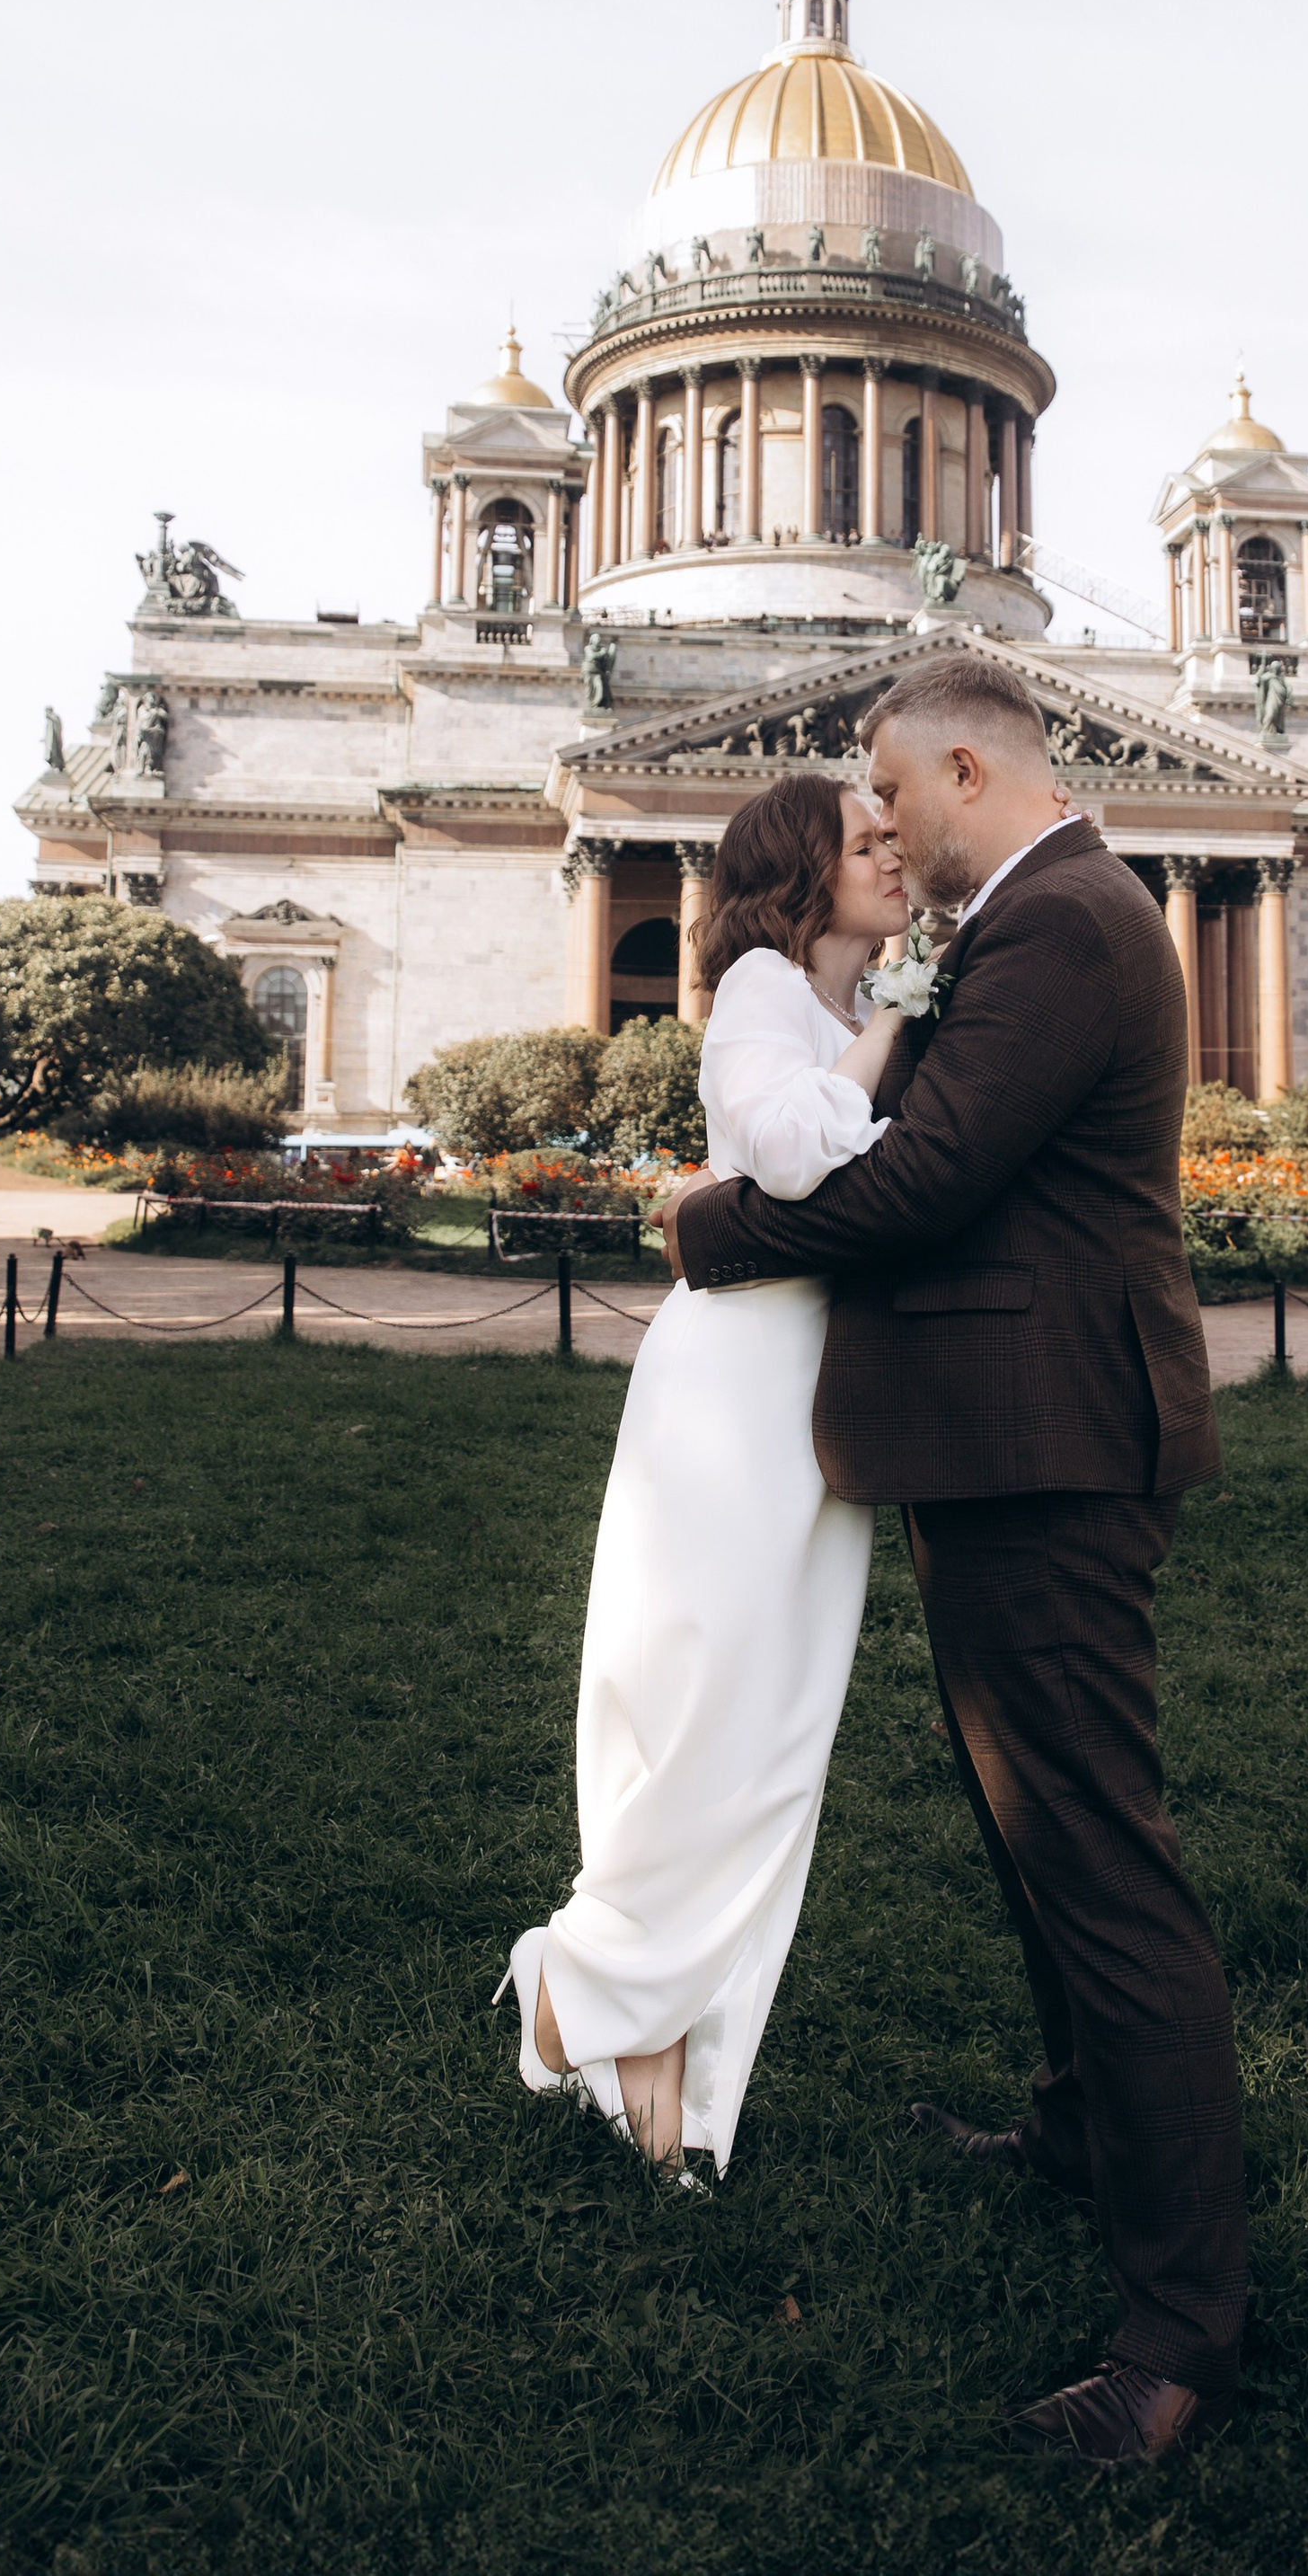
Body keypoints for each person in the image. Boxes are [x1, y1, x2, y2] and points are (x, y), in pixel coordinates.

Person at [661, 648, 1244, 2465]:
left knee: (1096, 1858)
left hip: (1048, 1442)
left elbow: (924, 1180)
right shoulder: (1040, 915)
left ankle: (1177, 2334)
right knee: (1031, 1825)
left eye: (895, 794)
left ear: (969, 770)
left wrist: (702, 1229)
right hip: (1011, 1434)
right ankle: (1078, 2130)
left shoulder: (1062, 923)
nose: (885, 830)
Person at [493, 773, 908, 2174]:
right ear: (800, 871)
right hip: (738, 1384)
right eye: (865, 841)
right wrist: (901, 1021)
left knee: (772, 1740)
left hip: (810, 1392)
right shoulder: (759, 992)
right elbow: (787, 1156)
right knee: (702, 1712)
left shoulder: (843, 1011)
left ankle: (656, 2045)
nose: (894, 853)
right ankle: (592, 1996)